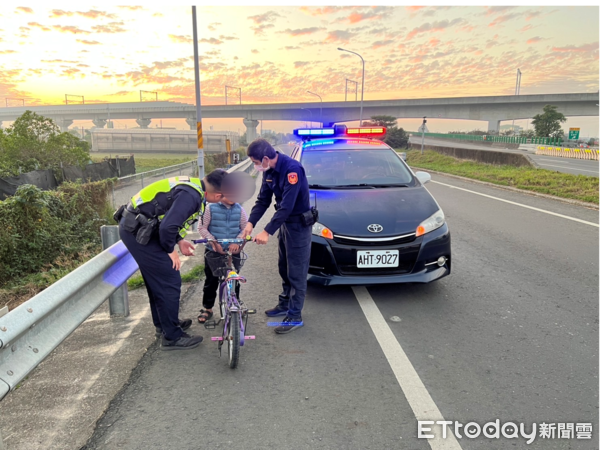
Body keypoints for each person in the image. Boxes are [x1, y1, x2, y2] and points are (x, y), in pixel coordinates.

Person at [115, 170, 228, 351]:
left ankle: (166, 325)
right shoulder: (192, 196)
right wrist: (170, 250)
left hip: (140, 227)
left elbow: (166, 215)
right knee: (169, 280)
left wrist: (179, 240)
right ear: (217, 193)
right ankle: (172, 337)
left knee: (158, 281)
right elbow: (167, 227)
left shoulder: (193, 188)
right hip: (138, 231)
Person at [242, 138, 312, 335]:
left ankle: (295, 315)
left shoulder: (292, 170)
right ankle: (284, 303)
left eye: (256, 162)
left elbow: (287, 207)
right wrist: (250, 223)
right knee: (284, 266)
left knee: (296, 271)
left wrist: (267, 231)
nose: (256, 166)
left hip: (298, 224)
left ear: (265, 158)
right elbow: (263, 200)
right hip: (285, 224)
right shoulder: (269, 171)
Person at [197, 195, 249, 324]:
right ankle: (208, 308)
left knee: (233, 279)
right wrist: (214, 242)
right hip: (213, 250)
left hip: (233, 252)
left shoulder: (240, 209)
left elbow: (245, 229)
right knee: (211, 280)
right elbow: (202, 228)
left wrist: (236, 242)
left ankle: (235, 305)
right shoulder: (210, 207)